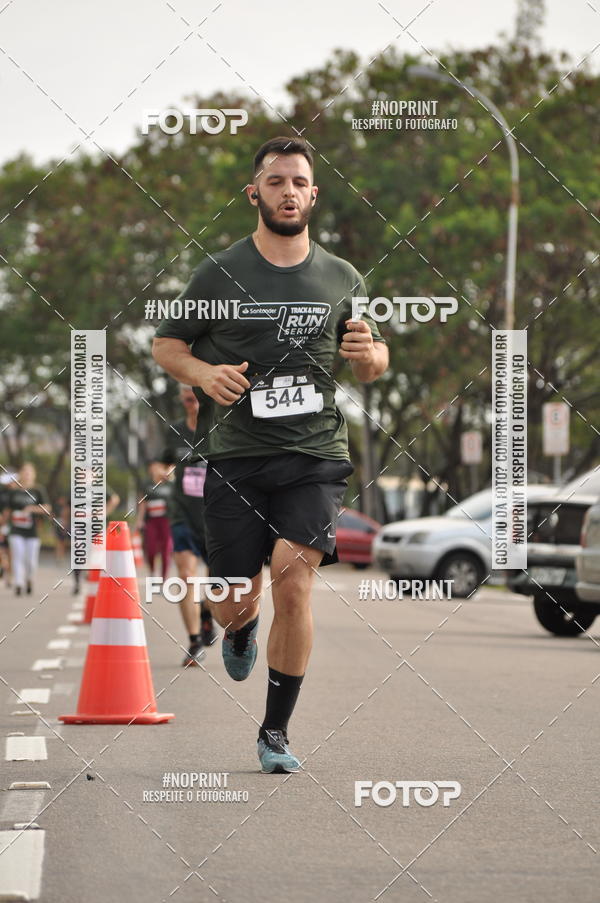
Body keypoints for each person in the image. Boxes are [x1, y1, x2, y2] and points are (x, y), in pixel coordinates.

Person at [152, 136, 388, 772]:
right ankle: (237, 628)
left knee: (294, 578)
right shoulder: (219, 272)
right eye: (276, 181)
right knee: (234, 591)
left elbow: (371, 357)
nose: (288, 192)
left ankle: (275, 732)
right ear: (254, 192)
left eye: (299, 182)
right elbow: (166, 344)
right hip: (235, 457)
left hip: (315, 454)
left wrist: (371, 358)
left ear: (314, 194)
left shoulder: (343, 277)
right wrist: (202, 373)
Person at [160, 385, 217, 667]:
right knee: (186, 576)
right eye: (186, 397)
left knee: (217, 583)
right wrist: (161, 472)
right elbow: (160, 463)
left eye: (195, 396)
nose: (191, 401)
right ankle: (194, 642)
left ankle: (207, 612)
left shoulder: (220, 426)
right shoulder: (175, 430)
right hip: (182, 513)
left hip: (215, 515)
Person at [4, 463, 51, 596]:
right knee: (17, 555)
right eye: (24, 471)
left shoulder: (38, 490)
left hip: (33, 531)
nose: (27, 474)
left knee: (31, 560)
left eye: (29, 472)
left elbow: (47, 507)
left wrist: (32, 509)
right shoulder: (14, 491)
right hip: (16, 529)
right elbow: (7, 510)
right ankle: (18, 583)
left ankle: (29, 579)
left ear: (33, 475)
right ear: (21, 474)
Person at [136, 460, 173, 581]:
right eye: (153, 467)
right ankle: (152, 572)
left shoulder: (169, 484)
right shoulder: (146, 485)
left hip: (166, 520)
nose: (155, 469)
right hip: (151, 520)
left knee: (166, 550)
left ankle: (164, 578)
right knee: (151, 549)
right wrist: (140, 520)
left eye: (158, 467)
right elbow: (142, 503)